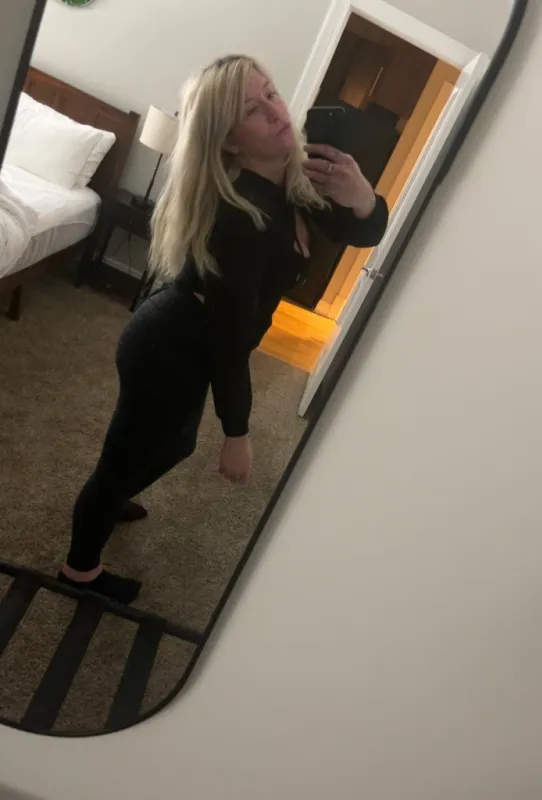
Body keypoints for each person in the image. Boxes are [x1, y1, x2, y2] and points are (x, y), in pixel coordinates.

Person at [59, 54, 389, 604]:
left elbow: (361, 232)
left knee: (175, 446)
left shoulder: (293, 179)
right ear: (231, 141)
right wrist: (238, 433)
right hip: (167, 349)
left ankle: (110, 502)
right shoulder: (241, 216)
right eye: (252, 110)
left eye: (271, 94)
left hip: (193, 345)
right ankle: (79, 572)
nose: (277, 112)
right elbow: (229, 338)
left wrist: (363, 198)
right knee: (123, 460)